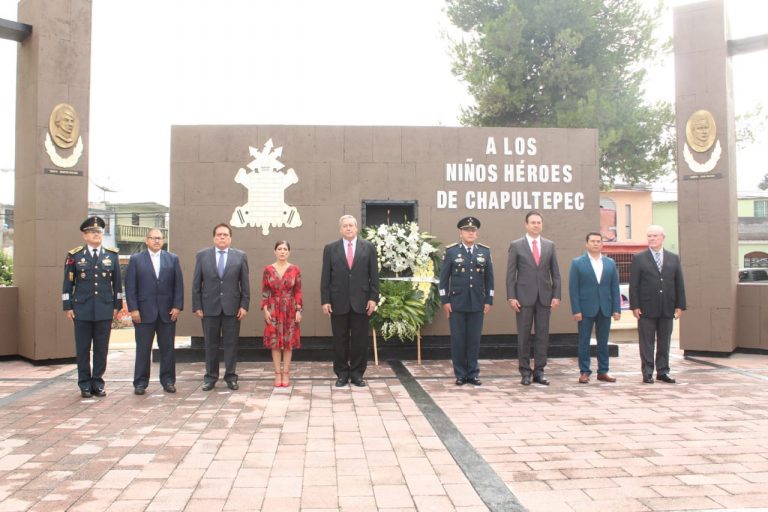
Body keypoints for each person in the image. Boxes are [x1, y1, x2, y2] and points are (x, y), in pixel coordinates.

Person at [62, 216, 122, 398]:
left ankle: (98, 382)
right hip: (82, 309)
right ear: (84, 235)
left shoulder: (111, 255)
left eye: (99, 232)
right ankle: (84, 384)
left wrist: (117, 305)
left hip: (104, 309)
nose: (97, 235)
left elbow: (117, 284)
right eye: (93, 232)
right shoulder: (75, 256)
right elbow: (67, 284)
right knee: (82, 348)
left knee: (101, 349)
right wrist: (67, 306)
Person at [320, 214, 380, 387]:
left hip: (362, 301)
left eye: (351, 225)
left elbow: (374, 276)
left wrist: (373, 298)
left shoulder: (368, 247)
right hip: (338, 301)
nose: (348, 228)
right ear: (340, 229)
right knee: (340, 340)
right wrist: (325, 300)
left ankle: (357, 373)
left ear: (356, 228)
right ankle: (342, 373)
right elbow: (325, 276)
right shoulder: (330, 248)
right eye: (345, 225)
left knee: (360, 341)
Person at [125, 229, 184, 395]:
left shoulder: (172, 259)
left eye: (159, 238)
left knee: (167, 349)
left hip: (167, 313)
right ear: (146, 240)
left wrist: (177, 306)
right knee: (143, 349)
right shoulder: (136, 260)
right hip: (143, 313)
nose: (156, 241)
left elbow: (178, 285)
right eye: (153, 238)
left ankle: (168, 381)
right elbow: (130, 287)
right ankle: (140, 383)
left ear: (163, 240)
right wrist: (134, 309)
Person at [192, 223, 250, 391]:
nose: (222, 237)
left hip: (232, 308)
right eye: (219, 234)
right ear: (214, 237)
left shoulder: (240, 256)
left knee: (231, 344)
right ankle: (210, 377)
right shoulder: (202, 256)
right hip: (209, 308)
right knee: (210, 344)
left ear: (230, 238)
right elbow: (197, 283)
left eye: (225, 234)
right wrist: (197, 305)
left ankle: (231, 377)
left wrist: (244, 305)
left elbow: (244, 284)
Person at [506, 210, 561, 386]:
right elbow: (510, 274)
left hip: (544, 298)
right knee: (523, 336)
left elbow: (556, 273)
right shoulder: (516, 245)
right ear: (526, 225)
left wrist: (556, 295)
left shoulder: (549, 245)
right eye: (533, 222)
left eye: (539, 222)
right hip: (523, 298)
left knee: (542, 336)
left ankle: (539, 371)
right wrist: (511, 296)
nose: (536, 225)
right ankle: (525, 372)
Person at [439, 216, 494, 386]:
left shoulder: (484, 252)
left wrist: (489, 299)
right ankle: (460, 374)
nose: (470, 233)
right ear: (460, 233)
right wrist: (445, 300)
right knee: (458, 339)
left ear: (476, 234)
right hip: (457, 303)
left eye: (473, 231)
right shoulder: (452, 252)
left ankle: (473, 373)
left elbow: (489, 279)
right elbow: (443, 279)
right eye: (467, 230)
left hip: (477, 303)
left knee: (474, 340)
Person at [630, 225, 686, 384]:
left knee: (664, 341)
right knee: (647, 342)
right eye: (649, 236)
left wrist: (680, 305)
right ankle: (647, 372)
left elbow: (679, 283)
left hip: (667, 307)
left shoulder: (673, 258)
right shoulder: (639, 258)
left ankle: (663, 371)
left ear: (663, 237)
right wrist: (635, 306)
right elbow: (634, 284)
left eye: (655, 236)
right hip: (646, 308)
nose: (652, 239)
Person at [568, 232, 621, 384]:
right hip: (585, 309)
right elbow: (573, 289)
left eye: (598, 241)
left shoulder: (610, 263)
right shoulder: (577, 263)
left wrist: (616, 309)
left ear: (602, 244)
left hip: (605, 308)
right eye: (592, 241)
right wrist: (576, 310)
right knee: (584, 341)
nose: (596, 243)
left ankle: (603, 371)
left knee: (603, 341)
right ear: (587, 244)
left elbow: (614, 287)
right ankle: (585, 371)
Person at [262, 240, 303, 388]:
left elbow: (298, 291)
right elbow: (265, 291)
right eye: (279, 249)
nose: (282, 251)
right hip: (273, 309)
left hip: (290, 308)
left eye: (285, 249)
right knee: (275, 343)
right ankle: (277, 373)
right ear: (275, 251)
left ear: (289, 252)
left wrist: (299, 310)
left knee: (288, 343)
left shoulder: (295, 269)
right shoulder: (268, 269)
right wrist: (265, 310)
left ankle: (286, 373)